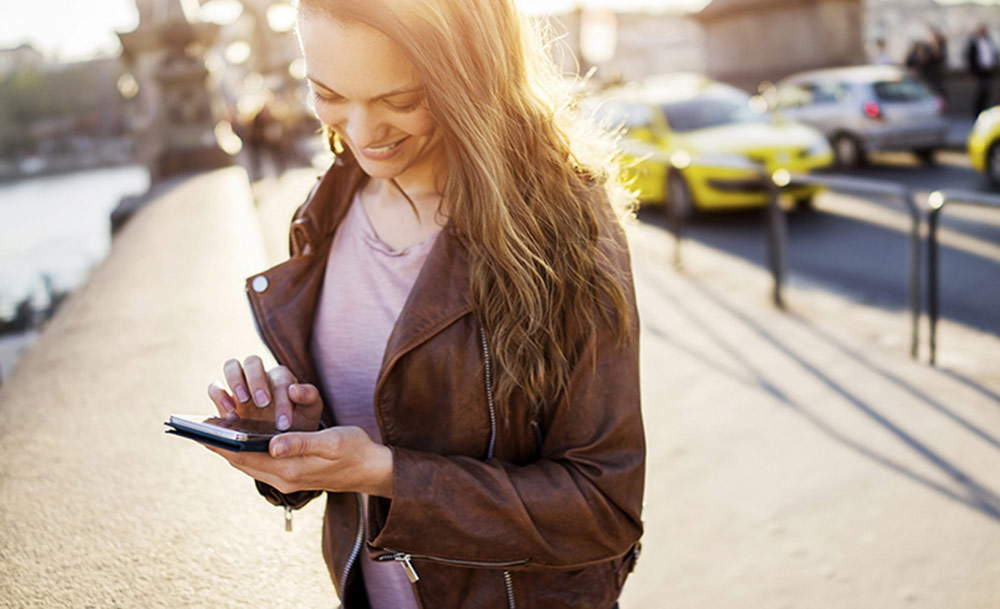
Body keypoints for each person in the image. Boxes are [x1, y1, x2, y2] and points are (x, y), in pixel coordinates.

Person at [203, 1, 645, 608]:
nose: (360, 133)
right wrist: (289, 436)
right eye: (328, 94)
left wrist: (387, 474)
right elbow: (357, 433)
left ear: (471, 75)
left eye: (400, 101)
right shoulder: (324, 208)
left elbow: (602, 508)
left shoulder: (565, 226)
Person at [966, 25, 998, 116]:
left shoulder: (989, 42)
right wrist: (972, 72)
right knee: (981, 92)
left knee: (988, 92)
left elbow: (993, 54)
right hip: (979, 71)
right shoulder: (974, 43)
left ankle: (985, 111)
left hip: (989, 70)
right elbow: (970, 58)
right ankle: (977, 112)